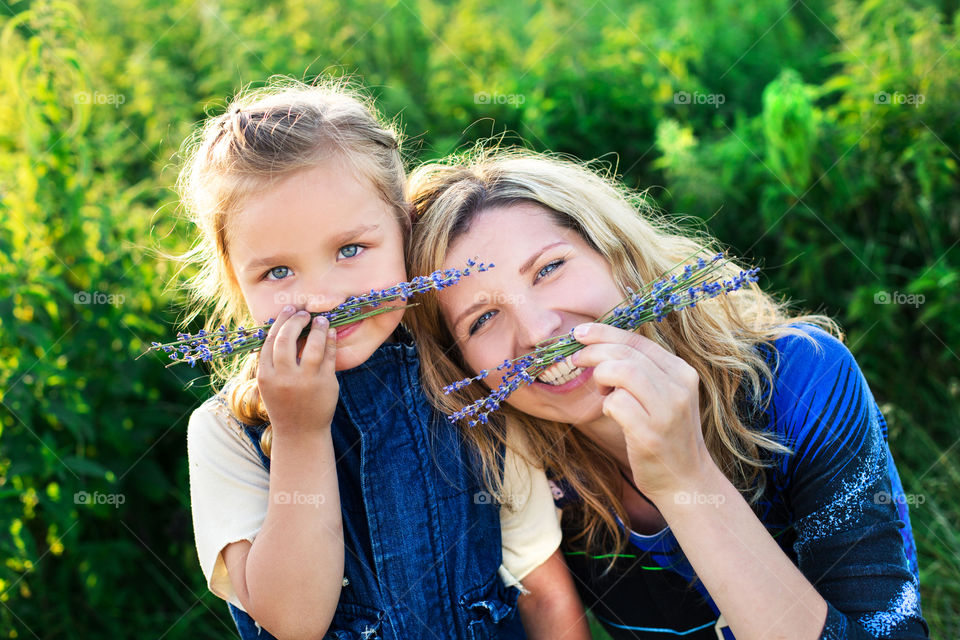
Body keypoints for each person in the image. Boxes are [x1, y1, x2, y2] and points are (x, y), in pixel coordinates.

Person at [403, 148, 928, 639]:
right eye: (484, 318)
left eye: (549, 268)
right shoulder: (522, 474)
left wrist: (685, 476)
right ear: (461, 364)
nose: (538, 331)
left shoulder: (799, 381)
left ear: (619, 255)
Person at [174, 81, 589, 639]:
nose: (322, 298)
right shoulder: (227, 433)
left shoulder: (469, 389)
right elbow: (293, 621)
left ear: (403, 231)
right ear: (234, 281)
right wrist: (299, 432)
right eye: (277, 272)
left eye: (350, 250)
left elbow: (546, 595)